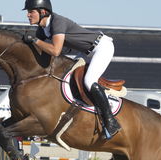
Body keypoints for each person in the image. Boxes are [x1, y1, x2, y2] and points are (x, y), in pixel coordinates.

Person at [22, 0, 120, 139]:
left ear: (43, 12)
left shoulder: (57, 22)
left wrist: (35, 41)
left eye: (31, 11)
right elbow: (41, 51)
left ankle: (111, 122)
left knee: (88, 80)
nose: (28, 15)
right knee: (66, 75)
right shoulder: (42, 29)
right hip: (86, 52)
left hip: (101, 48)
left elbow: (55, 51)